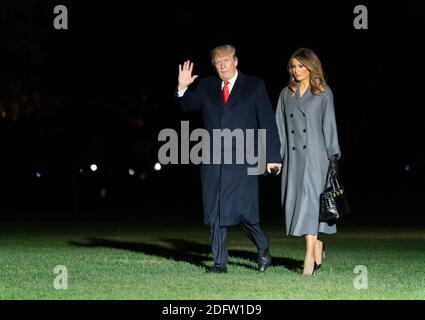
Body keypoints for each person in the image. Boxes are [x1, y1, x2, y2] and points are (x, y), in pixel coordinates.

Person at [176, 44, 282, 273]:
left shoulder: (254, 86)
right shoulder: (206, 86)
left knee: (244, 213)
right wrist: (182, 87)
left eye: (226, 60)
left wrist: (273, 157)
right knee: (215, 213)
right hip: (214, 161)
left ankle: (263, 246)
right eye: (217, 62)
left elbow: (268, 122)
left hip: (245, 161)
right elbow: (186, 106)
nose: (222, 65)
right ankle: (219, 263)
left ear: (236, 61)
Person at [275, 48, 341, 275]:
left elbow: (329, 126)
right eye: (293, 66)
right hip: (294, 160)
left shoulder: (323, 93)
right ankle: (317, 245)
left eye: (301, 66)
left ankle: (308, 260)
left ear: (311, 66)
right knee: (295, 204)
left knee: (311, 205)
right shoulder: (286, 94)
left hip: (316, 157)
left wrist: (333, 156)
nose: (296, 70)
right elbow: (280, 129)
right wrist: (276, 157)